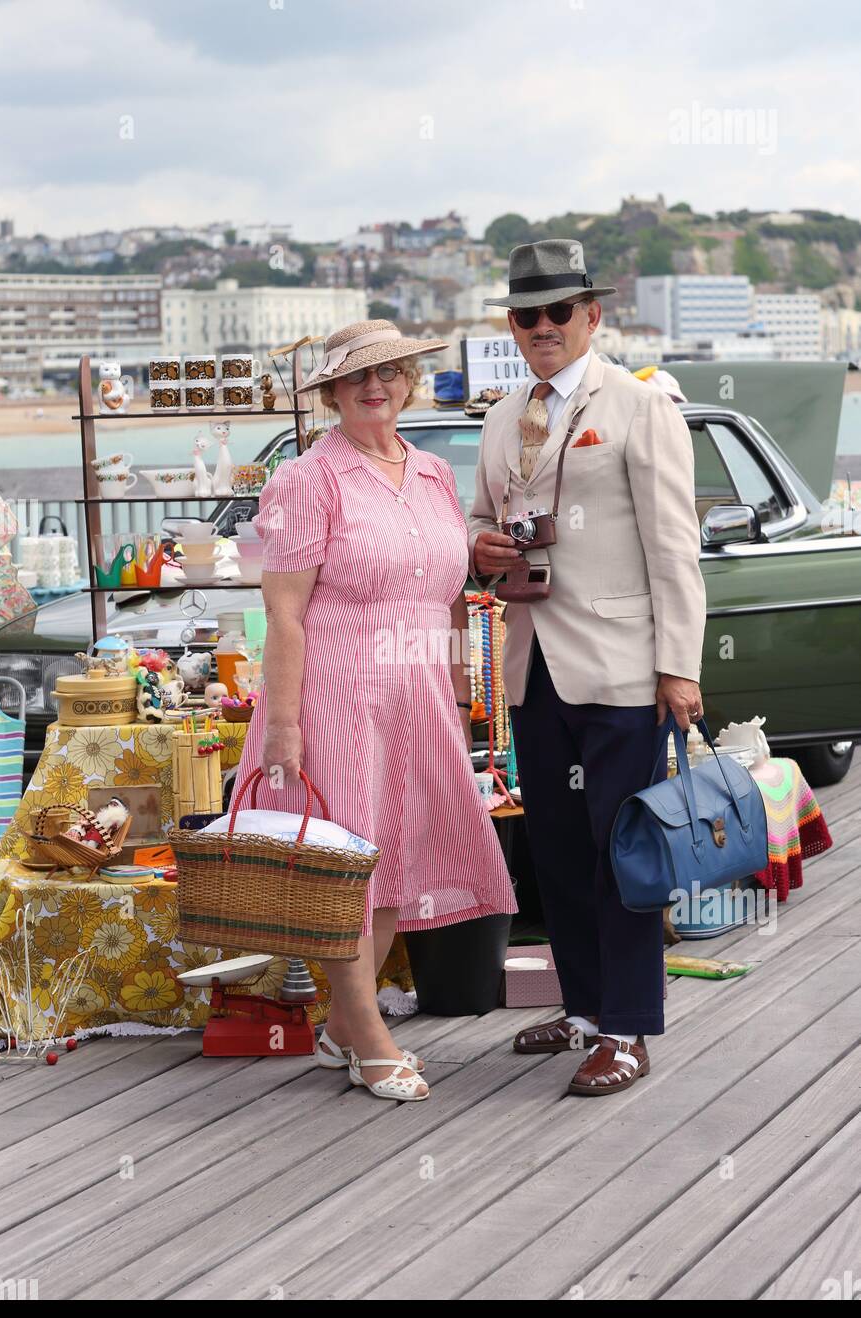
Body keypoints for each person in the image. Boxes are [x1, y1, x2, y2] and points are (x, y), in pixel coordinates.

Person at [232, 320, 517, 1104]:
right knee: (344, 869)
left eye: (390, 374)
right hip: (335, 691)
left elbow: (450, 599)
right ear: (330, 393)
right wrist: (283, 724)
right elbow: (283, 613)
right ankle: (370, 1038)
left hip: (417, 690)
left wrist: (461, 700)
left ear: (408, 383)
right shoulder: (306, 479)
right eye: (358, 378)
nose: (375, 388)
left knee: (394, 856)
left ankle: (340, 1027)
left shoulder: (429, 473)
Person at [470, 241, 707, 1095]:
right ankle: (581, 1010)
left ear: (592, 316)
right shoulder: (501, 417)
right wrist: (479, 546)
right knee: (560, 853)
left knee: (625, 853)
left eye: (557, 312)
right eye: (526, 315)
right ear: (512, 326)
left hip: (623, 668)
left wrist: (679, 667)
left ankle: (630, 1028)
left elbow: (675, 547)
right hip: (533, 665)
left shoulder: (641, 408)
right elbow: (477, 521)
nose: (541, 328)